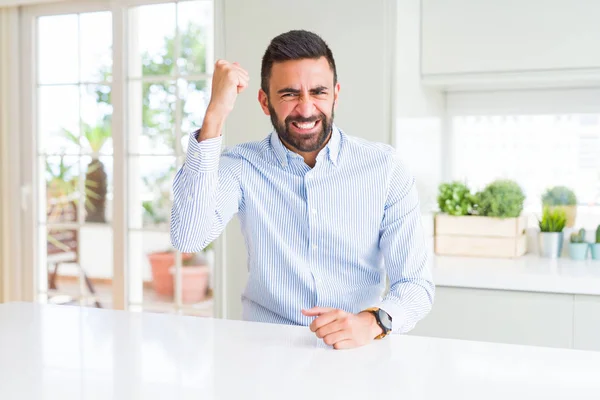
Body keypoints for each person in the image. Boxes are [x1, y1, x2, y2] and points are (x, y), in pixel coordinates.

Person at [171, 30, 434, 350]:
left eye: (318, 92)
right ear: (265, 102)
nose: (306, 108)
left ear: (336, 94)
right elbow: (188, 236)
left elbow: (415, 285)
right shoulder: (240, 165)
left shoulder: (385, 168)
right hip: (264, 352)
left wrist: (371, 322)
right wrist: (215, 114)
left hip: (357, 350)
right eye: (289, 94)